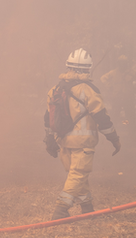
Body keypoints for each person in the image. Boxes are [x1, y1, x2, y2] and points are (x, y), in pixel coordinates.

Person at [43, 49, 122, 219]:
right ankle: (61, 209)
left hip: (64, 141)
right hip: (83, 142)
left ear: (68, 66)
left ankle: (87, 208)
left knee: (78, 175)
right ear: (87, 69)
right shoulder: (88, 90)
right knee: (78, 174)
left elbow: (47, 117)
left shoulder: (55, 89)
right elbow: (101, 117)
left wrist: (49, 139)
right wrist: (114, 138)